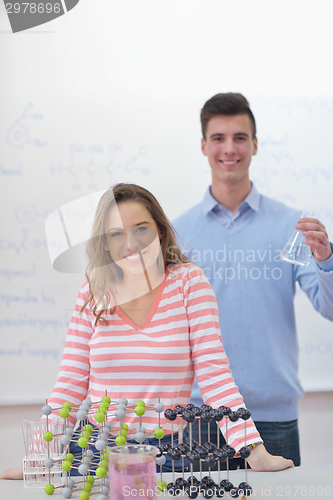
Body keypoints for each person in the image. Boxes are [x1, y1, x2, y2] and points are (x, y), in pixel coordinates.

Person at [1, 183, 293, 480]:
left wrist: (253, 451)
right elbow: (69, 385)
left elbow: (215, 376)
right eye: (116, 233)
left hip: (165, 457)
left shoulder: (189, 283)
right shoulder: (93, 292)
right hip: (92, 456)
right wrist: (38, 459)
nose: (131, 244)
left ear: (161, 232)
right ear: (104, 243)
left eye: (141, 229)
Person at [172, 93, 333, 469]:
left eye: (240, 137)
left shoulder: (292, 226)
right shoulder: (176, 233)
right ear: (203, 145)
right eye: (218, 138)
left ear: (255, 144)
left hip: (271, 419)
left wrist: (326, 259)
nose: (230, 148)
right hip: (198, 418)